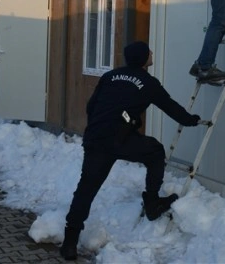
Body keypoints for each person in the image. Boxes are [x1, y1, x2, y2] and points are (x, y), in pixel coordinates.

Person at [60, 41, 202, 261]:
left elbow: (91, 106)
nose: (152, 53)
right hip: (120, 140)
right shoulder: (148, 82)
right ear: (144, 58)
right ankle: (152, 202)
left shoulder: (110, 76)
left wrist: (114, 122)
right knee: (155, 151)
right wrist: (191, 120)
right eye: (149, 51)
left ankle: (69, 244)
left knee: (85, 190)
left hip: (96, 139)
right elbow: (169, 106)